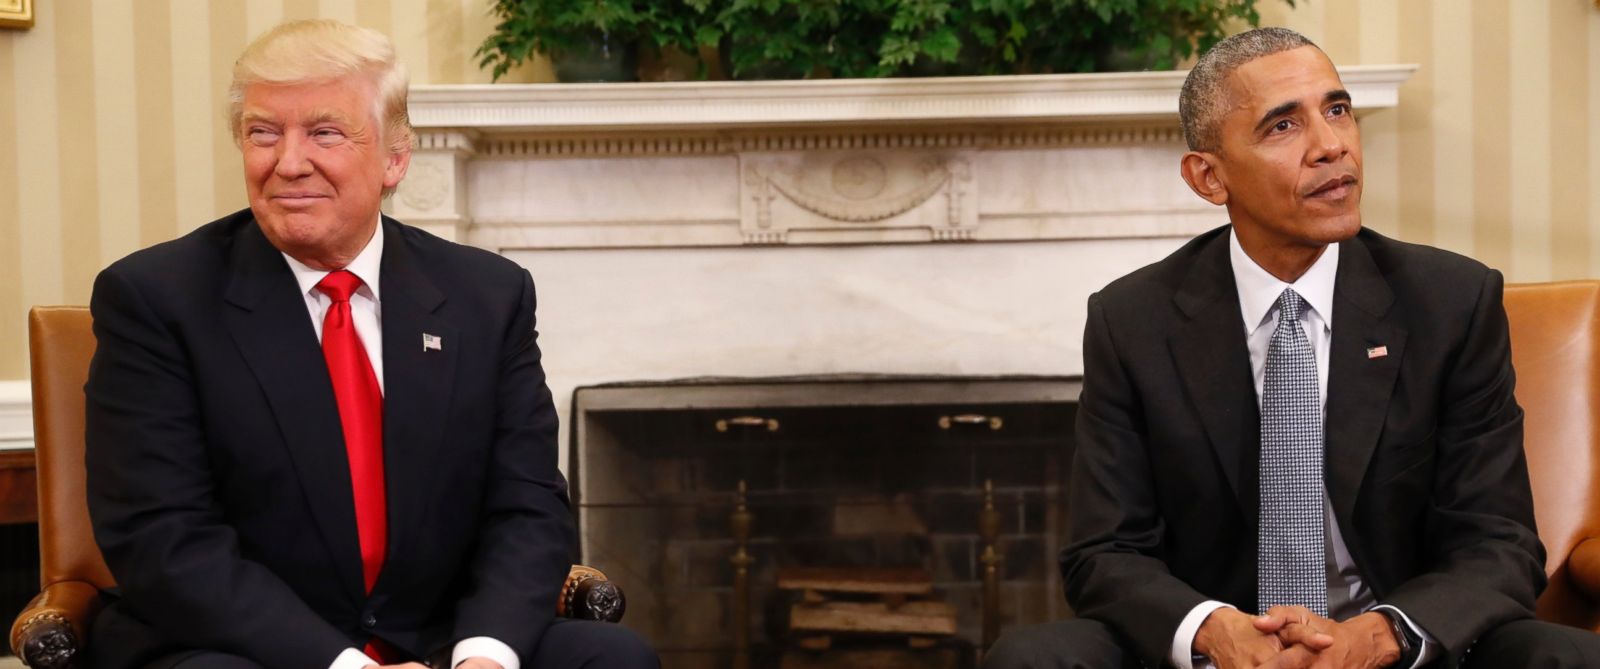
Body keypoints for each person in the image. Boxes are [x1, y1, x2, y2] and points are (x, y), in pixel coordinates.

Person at [983, 27, 1600, 669]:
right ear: (1209, 177)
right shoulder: (1133, 321)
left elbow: (1499, 543)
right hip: (1219, 652)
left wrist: (1374, 638)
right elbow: (1104, 552)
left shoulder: (1451, 303)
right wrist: (1216, 632)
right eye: (1283, 126)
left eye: (1338, 110)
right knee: (1032, 657)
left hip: (1396, 645)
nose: (1332, 145)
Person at [82, 19, 657, 669]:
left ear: (395, 158)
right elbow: (164, 538)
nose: (288, 162)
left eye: (324, 132)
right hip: (247, 646)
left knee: (611, 657)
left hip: (439, 637)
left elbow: (527, 507)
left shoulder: (487, 296)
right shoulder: (157, 300)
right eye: (263, 133)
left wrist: (485, 654)